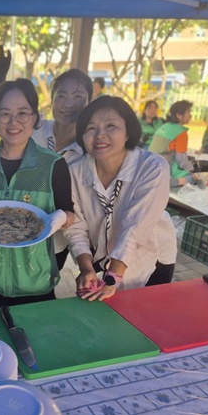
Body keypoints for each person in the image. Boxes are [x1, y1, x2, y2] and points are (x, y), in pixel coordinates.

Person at [0, 46, 92, 269]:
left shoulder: (90, 151)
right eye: (61, 95)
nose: (69, 103)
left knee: (41, 290)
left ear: (90, 100)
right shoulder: (35, 127)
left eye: (78, 96)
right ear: (51, 100)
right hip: (7, 232)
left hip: (54, 243)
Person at [0, 78, 75, 309]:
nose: (13, 121)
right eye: (5, 113)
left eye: (23, 113)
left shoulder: (53, 164)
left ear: (35, 118)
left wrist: (62, 218)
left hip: (35, 277)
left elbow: (69, 211)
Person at [64, 96, 177, 301]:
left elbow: (135, 227)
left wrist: (112, 277)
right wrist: (86, 268)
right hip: (104, 255)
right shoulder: (75, 172)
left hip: (151, 257)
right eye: (91, 128)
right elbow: (76, 227)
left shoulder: (152, 167)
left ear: (127, 133)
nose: (100, 135)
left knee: (144, 316)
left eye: (111, 126)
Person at [149, 100, 195, 187]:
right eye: (189, 112)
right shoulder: (180, 132)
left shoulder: (164, 127)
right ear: (179, 115)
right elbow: (181, 159)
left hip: (149, 167)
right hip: (162, 170)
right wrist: (191, 169)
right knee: (191, 178)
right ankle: (174, 182)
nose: (190, 115)